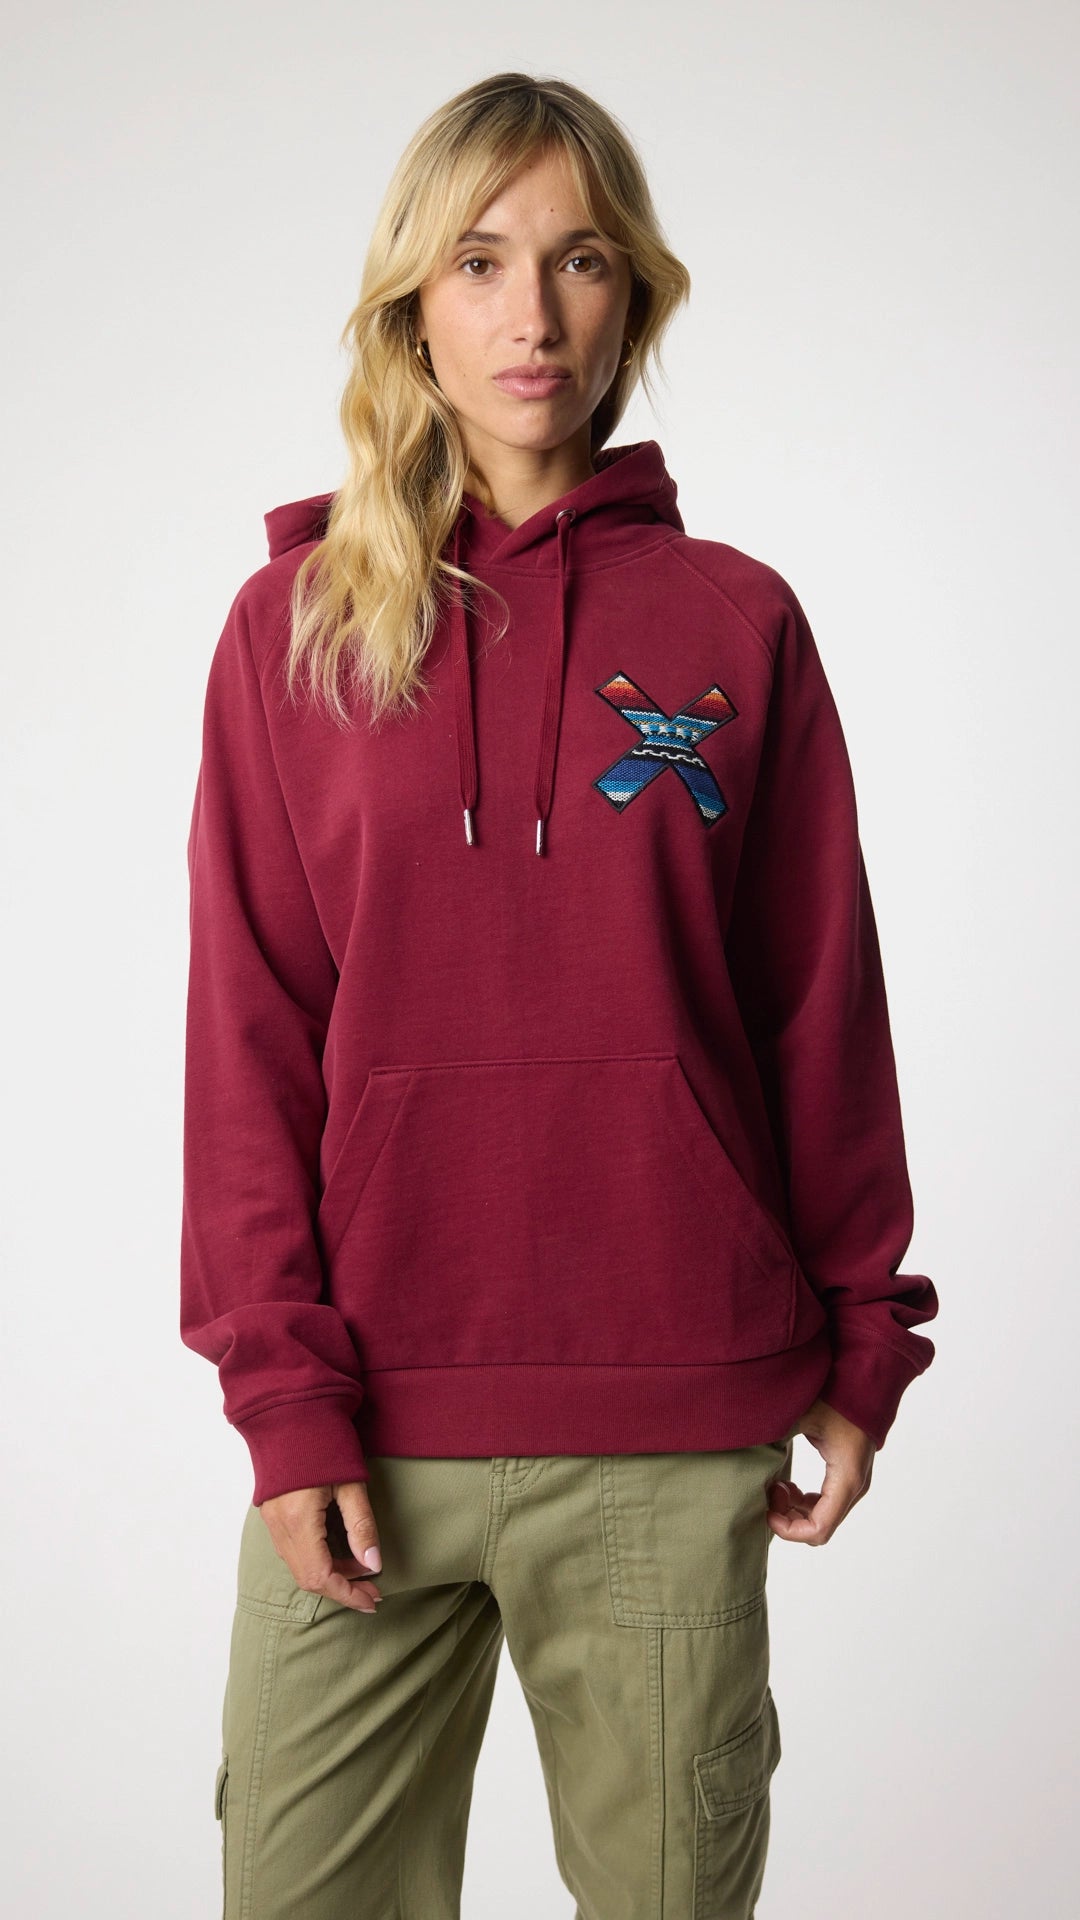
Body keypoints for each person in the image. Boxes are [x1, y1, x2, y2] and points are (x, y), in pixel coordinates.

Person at [180, 70, 939, 1920]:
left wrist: (866, 1340)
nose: (532, 313)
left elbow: (817, 1006)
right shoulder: (291, 632)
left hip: (673, 1415)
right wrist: (284, 1396)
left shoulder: (736, 620)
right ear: (411, 306)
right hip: (367, 1419)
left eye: (581, 261)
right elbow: (249, 1039)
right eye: (481, 261)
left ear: (633, 299)